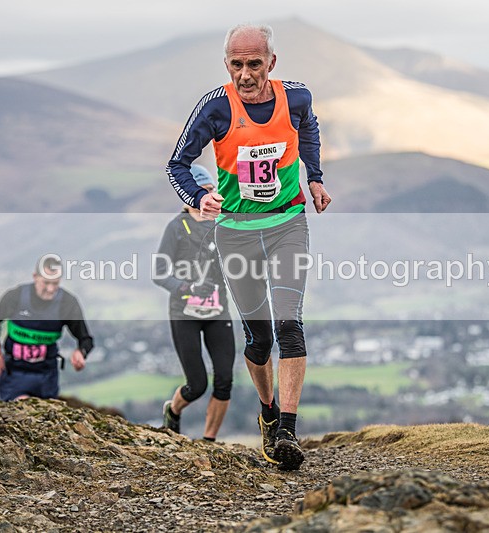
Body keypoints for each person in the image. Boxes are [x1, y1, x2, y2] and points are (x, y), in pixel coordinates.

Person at [165, 23, 332, 470]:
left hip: (287, 225)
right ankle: (268, 412)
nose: (244, 74)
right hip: (235, 232)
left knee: (289, 325)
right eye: (236, 64)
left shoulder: (296, 96)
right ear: (227, 65)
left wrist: (314, 177)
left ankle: (288, 432)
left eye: (253, 64)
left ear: (271, 63)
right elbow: (176, 164)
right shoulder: (215, 107)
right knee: (258, 339)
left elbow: (309, 131)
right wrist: (198, 197)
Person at [153, 164, 236, 441]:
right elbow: (159, 272)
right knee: (197, 385)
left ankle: (209, 441)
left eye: (213, 190)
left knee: (224, 379)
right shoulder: (176, 227)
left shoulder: (222, 224)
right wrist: (187, 287)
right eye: (203, 191)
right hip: (184, 313)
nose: (210, 196)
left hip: (217, 311)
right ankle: (173, 411)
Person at [0, 256, 93, 401]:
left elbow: (85, 339)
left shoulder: (67, 303)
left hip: (46, 374)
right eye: (46, 283)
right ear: (35, 277)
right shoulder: (16, 296)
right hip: (15, 371)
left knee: (45, 418)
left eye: (55, 283)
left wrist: (81, 352)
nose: (50, 289)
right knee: (20, 412)